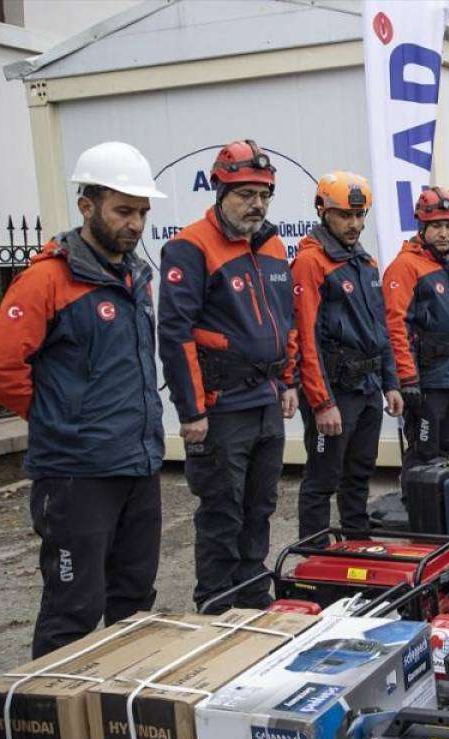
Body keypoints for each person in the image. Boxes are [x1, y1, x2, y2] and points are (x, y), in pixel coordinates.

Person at [0, 142, 165, 657]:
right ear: (87, 206)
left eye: (142, 213)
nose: (135, 224)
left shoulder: (134, 277)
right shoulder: (47, 281)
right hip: (78, 473)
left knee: (135, 601)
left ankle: (121, 712)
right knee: (73, 607)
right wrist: (55, 415)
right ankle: (54, 728)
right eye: (123, 211)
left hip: (137, 462)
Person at [158, 139, 298, 611]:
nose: (256, 204)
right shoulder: (189, 247)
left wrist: (286, 382)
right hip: (221, 409)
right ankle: (217, 603)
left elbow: (286, 320)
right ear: (219, 188)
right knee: (222, 509)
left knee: (260, 506)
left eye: (264, 194)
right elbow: (175, 335)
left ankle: (253, 594)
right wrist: (191, 410)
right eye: (244, 194)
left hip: (264, 400)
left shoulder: (275, 245)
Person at [292, 171, 404, 539]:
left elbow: (380, 327)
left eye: (360, 215)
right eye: (344, 215)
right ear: (324, 211)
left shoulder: (365, 263)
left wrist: (390, 382)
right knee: (323, 479)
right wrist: (322, 402)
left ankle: (356, 545)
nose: (354, 223)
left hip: (368, 389)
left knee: (359, 474)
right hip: (335, 391)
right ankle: (314, 554)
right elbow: (304, 337)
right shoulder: (311, 263)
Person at [384, 187, 449, 474]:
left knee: (445, 450)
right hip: (426, 381)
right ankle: (416, 509)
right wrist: (408, 380)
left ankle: (437, 512)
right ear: (422, 226)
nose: (444, 233)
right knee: (424, 453)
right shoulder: (405, 267)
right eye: (437, 226)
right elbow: (395, 326)